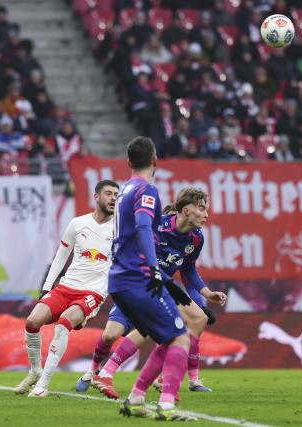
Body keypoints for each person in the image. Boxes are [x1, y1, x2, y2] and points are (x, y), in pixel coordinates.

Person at [76, 188, 227, 399]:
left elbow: (188, 269)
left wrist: (205, 293)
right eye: (201, 208)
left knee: (197, 319)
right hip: (136, 281)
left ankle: (177, 378)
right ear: (185, 210)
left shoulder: (196, 239)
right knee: (114, 334)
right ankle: (99, 371)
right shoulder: (158, 226)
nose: (206, 214)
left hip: (159, 287)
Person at [109, 136, 197, 421]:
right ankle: (168, 406)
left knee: (166, 338)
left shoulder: (124, 189)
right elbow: (145, 228)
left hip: (120, 279)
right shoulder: (146, 189)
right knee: (181, 340)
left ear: (129, 162)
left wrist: (168, 281)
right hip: (139, 278)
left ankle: (136, 399)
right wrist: (157, 271)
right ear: (155, 160)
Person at [13, 180, 119, 397]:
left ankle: (43, 383)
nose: (113, 198)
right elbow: (61, 256)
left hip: (93, 291)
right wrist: (46, 288)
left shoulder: (120, 228)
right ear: (96, 197)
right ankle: (34, 371)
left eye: (116, 195)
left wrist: (107, 289)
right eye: (108, 193)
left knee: (63, 324)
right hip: (67, 285)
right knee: (32, 322)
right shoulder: (78, 223)